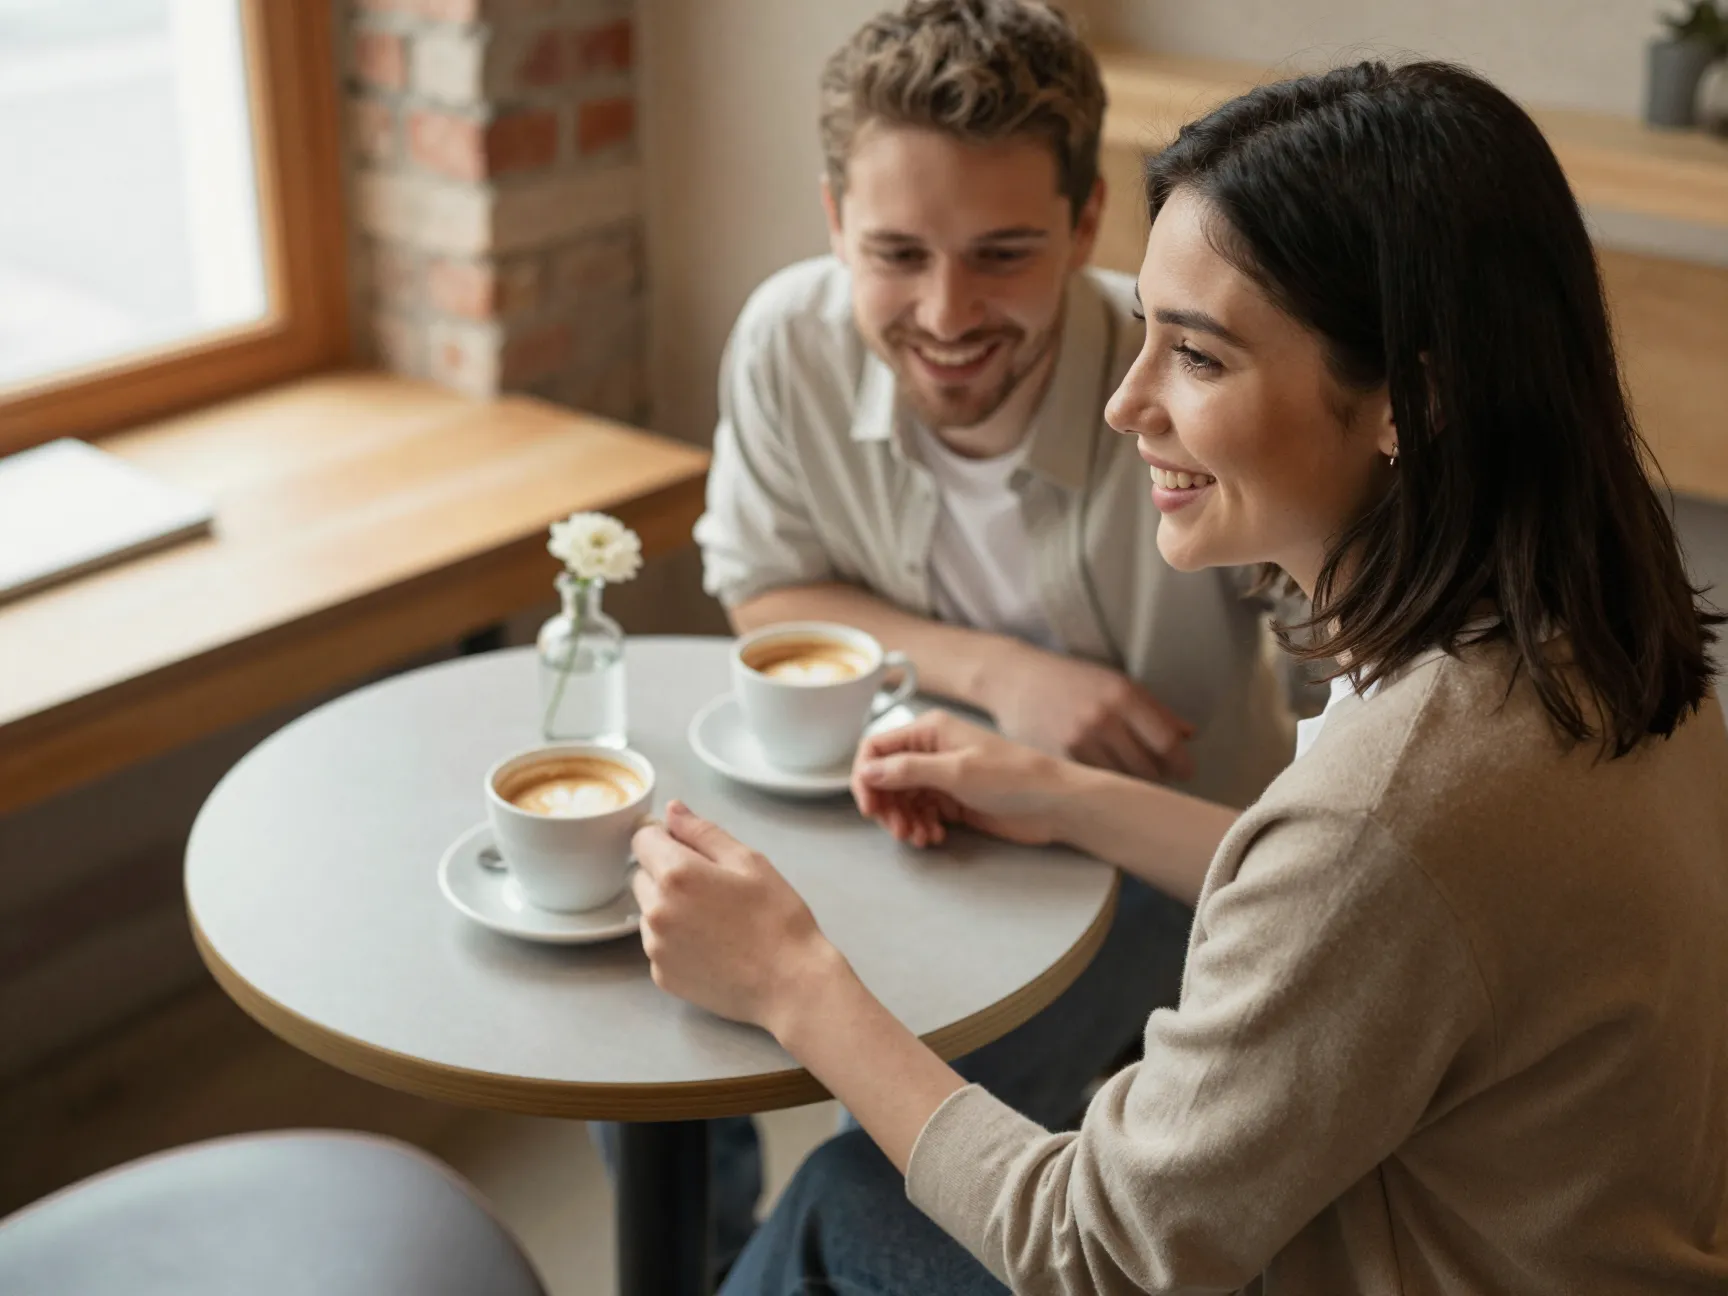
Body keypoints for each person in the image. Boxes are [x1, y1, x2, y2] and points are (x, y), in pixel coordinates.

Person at [628, 57, 1728, 1295]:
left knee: (841, 1205)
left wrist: (794, 982)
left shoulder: (1389, 807)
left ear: (1408, 402)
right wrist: (1060, 790)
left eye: (1198, 357)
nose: (1126, 403)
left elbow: (1094, 1248)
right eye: (1144, 330)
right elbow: (1390, 922)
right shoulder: (1583, 640)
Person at [597, 2, 1303, 1275]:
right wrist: (1003, 675)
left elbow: (1351, 692)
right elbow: (764, 590)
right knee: (636, 1019)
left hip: (1151, 862)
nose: (944, 311)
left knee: (882, 1170)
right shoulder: (785, 344)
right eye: (897, 253)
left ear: (1089, 226)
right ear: (832, 223)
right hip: (887, 824)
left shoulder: (1188, 391)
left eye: (1003, 253)